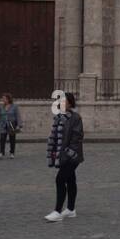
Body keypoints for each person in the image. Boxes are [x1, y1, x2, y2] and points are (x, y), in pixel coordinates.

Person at [45, 92, 84, 221]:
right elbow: (55, 137)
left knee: (60, 179)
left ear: (70, 103)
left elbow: (77, 137)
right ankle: (71, 210)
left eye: (64, 101)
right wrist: (54, 152)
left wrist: (68, 152)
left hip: (72, 156)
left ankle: (57, 211)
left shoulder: (75, 118)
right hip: (62, 155)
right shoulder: (58, 117)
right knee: (70, 180)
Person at [0, 94, 21, 158]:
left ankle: (12, 153)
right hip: (3, 124)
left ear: (8, 99)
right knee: (2, 139)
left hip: (11, 124)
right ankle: (1, 152)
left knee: (12, 139)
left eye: (4, 98)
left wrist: (19, 125)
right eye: (2, 98)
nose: (3, 100)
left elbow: (18, 116)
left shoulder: (14, 106)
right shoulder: (1, 107)